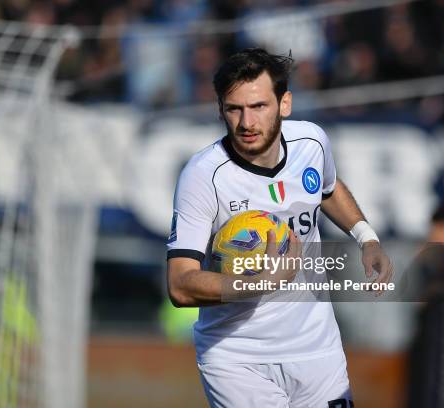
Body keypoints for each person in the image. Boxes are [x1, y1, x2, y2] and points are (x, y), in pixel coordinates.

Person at [166, 48, 393, 408]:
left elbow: (329, 189)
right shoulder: (203, 176)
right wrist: (259, 284)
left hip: (318, 350)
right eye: (234, 109)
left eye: (258, 106)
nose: (247, 123)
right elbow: (180, 284)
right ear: (220, 110)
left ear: (284, 104)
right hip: (237, 358)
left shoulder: (312, 142)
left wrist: (366, 236)